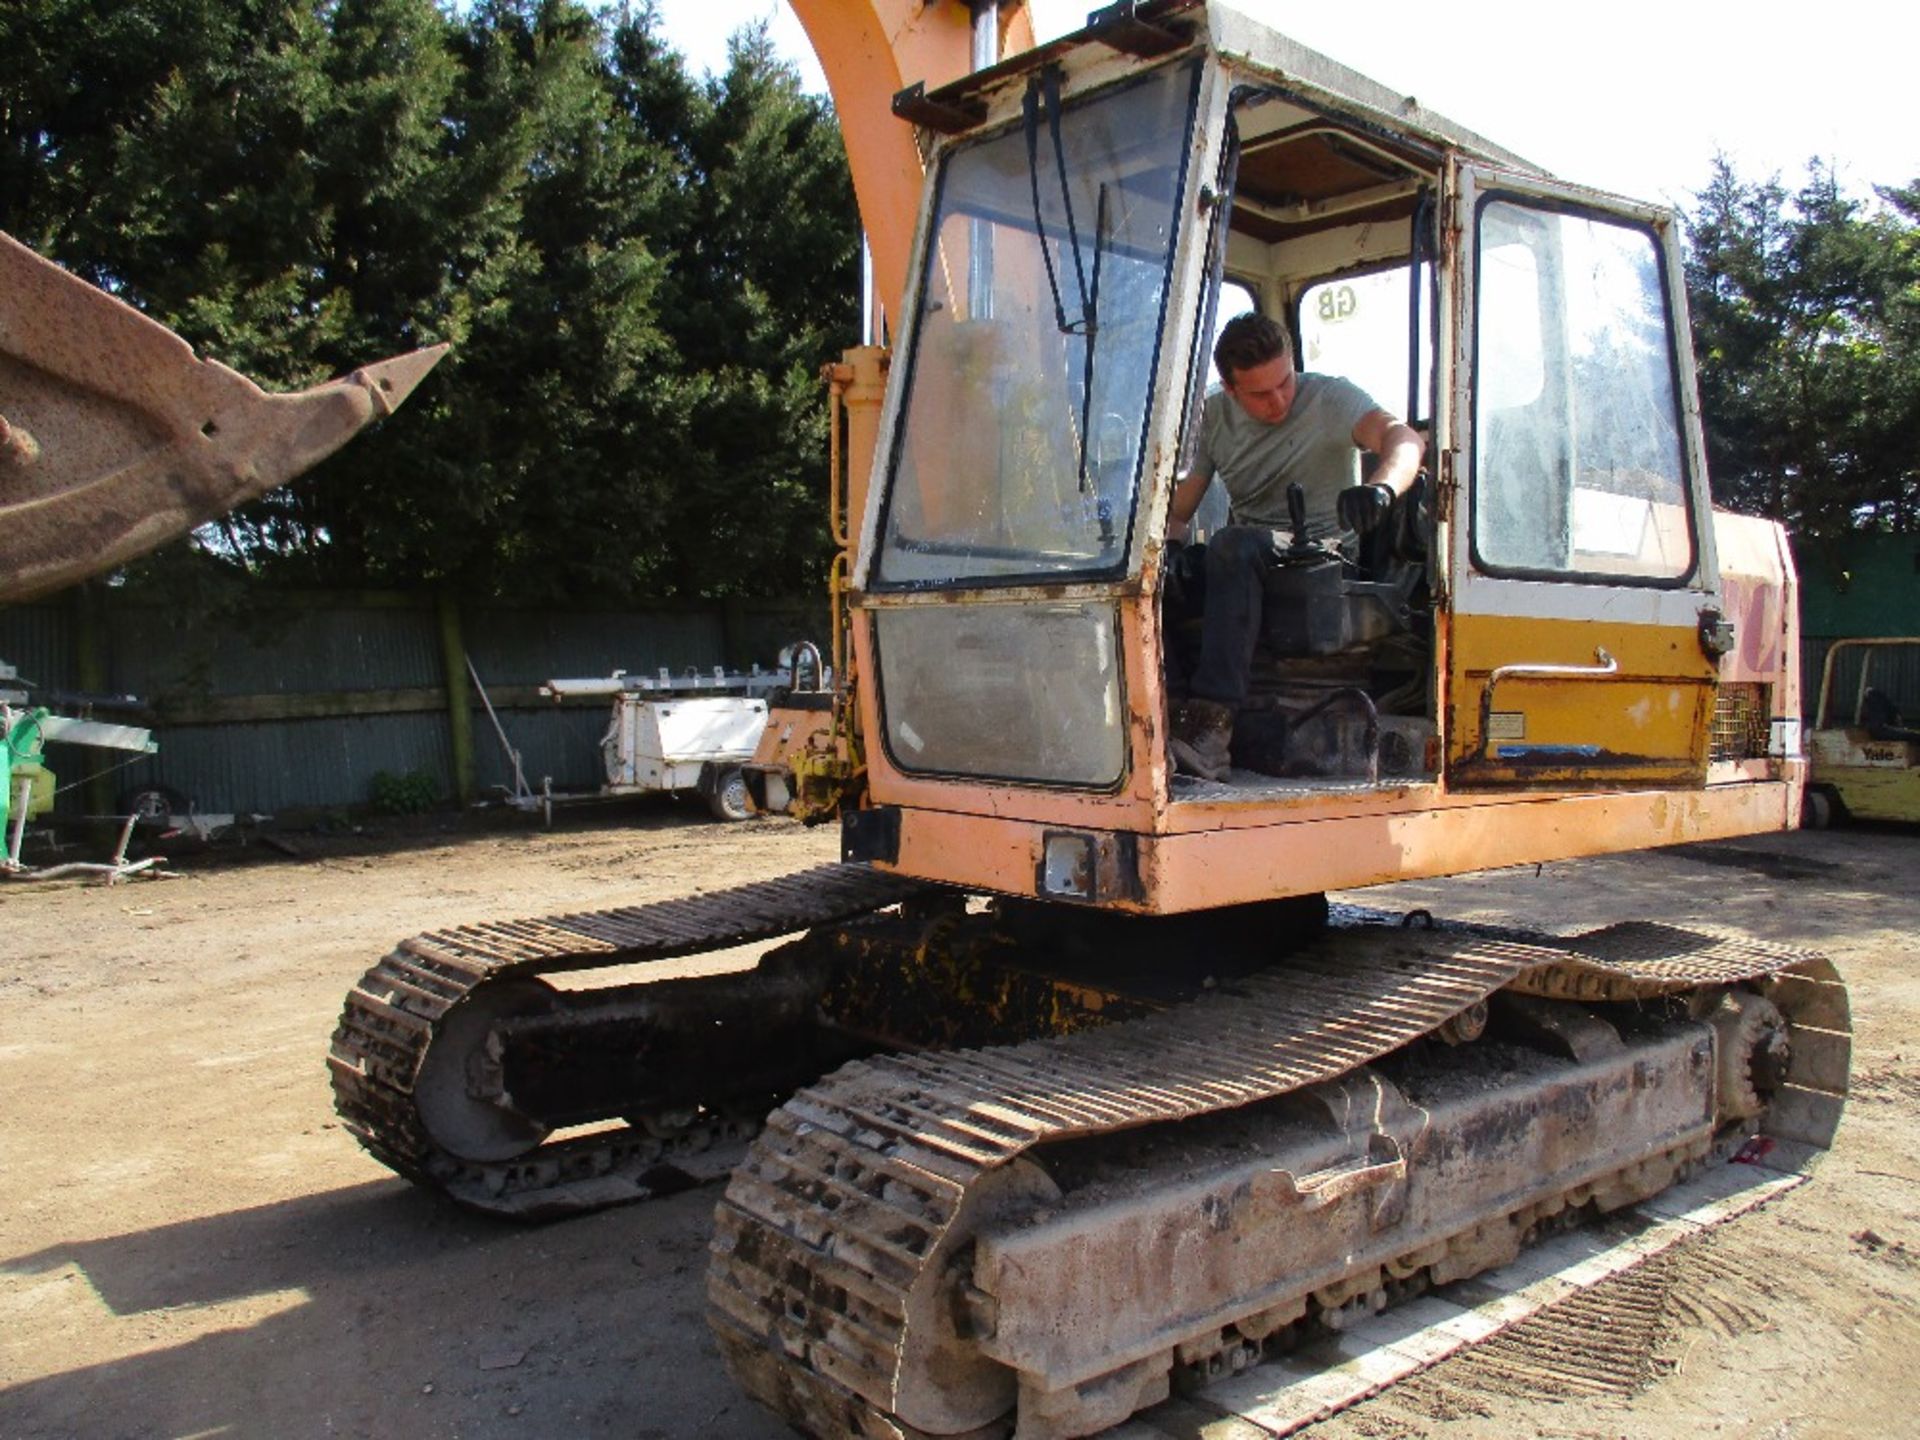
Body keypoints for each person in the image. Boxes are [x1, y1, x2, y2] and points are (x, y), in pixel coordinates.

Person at [1165, 312, 1425, 780]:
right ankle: (1172, 712)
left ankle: (1211, 726)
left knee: (1233, 545)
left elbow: (1401, 438)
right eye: (1261, 394)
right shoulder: (1213, 419)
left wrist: (1382, 487)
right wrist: (1161, 554)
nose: (1279, 400)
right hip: (1246, 558)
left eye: (1284, 382)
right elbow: (1179, 512)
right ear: (1230, 389)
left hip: (1322, 558)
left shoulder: (1329, 398)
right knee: (1159, 574)